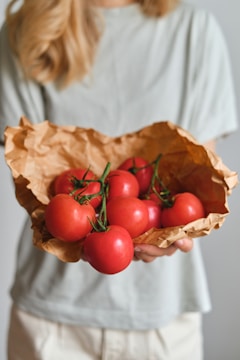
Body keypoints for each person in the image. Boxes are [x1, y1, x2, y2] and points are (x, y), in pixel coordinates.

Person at [0, 0, 238, 359]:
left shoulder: (194, 31)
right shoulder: (25, 32)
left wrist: (178, 229)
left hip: (163, 321)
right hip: (50, 324)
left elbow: (195, 180)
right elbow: (31, 172)